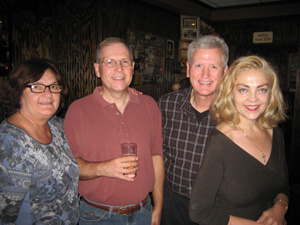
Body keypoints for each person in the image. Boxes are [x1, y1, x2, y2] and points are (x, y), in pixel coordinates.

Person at [63, 37, 164, 225]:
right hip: (97, 216)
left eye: (124, 62)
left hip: (144, 211)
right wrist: (105, 168)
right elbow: (69, 167)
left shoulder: (149, 105)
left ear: (132, 67)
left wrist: (158, 208)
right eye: (110, 62)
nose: (119, 68)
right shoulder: (78, 110)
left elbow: (156, 157)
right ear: (97, 69)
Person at [189, 55, 289, 225]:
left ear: (271, 94)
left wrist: (280, 207)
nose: (253, 98)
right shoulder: (220, 142)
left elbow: (284, 185)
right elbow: (198, 212)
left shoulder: (276, 133)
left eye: (261, 89)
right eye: (243, 89)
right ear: (231, 94)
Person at [158, 35, 229, 225]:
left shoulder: (236, 113)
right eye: (198, 66)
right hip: (172, 204)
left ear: (225, 71)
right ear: (188, 70)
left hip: (216, 208)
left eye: (214, 67)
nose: (205, 74)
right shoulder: (166, 105)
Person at [0, 59, 80, 224]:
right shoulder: (9, 143)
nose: (48, 94)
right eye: (36, 87)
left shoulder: (56, 125)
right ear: (18, 92)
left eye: (53, 87)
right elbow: (5, 216)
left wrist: (123, 95)